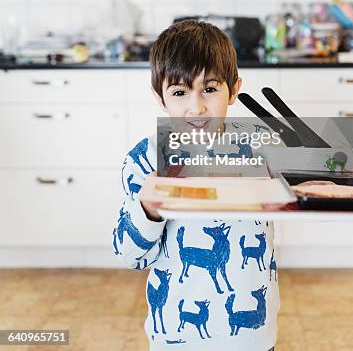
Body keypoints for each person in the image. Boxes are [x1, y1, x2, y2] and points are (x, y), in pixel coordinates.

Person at [112, 20, 278, 350]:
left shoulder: (263, 150)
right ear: (159, 96)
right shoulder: (145, 160)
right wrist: (147, 209)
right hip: (176, 335)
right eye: (179, 92)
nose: (196, 106)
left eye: (210, 89)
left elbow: (313, 193)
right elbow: (129, 256)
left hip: (252, 337)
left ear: (234, 89)